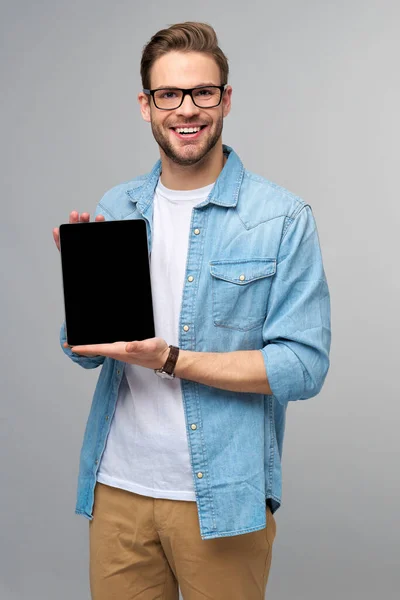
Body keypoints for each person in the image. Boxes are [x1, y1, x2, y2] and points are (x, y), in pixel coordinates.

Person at [53, 21, 331, 600]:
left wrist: (173, 359)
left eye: (203, 92)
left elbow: (302, 367)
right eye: (169, 95)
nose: (187, 109)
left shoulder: (281, 218)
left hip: (221, 497)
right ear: (146, 105)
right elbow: (85, 353)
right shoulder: (118, 205)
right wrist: (83, 296)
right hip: (118, 493)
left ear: (225, 99)